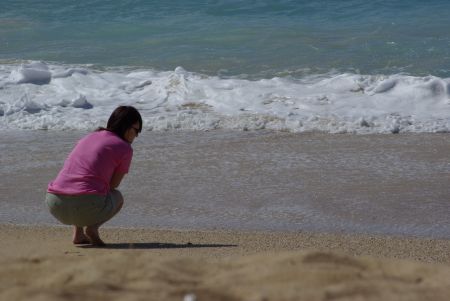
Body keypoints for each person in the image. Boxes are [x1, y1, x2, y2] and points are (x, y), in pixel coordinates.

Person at [45, 106, 142, 246]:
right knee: (117, 197)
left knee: (80, 185)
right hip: (85, 205)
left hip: (54, 203)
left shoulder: (88, 137)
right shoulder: (125, 148)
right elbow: (113, 185)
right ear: (126, 126)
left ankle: (78, 234)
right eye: (136, 130)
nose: (136, 135)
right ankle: (92, 228)